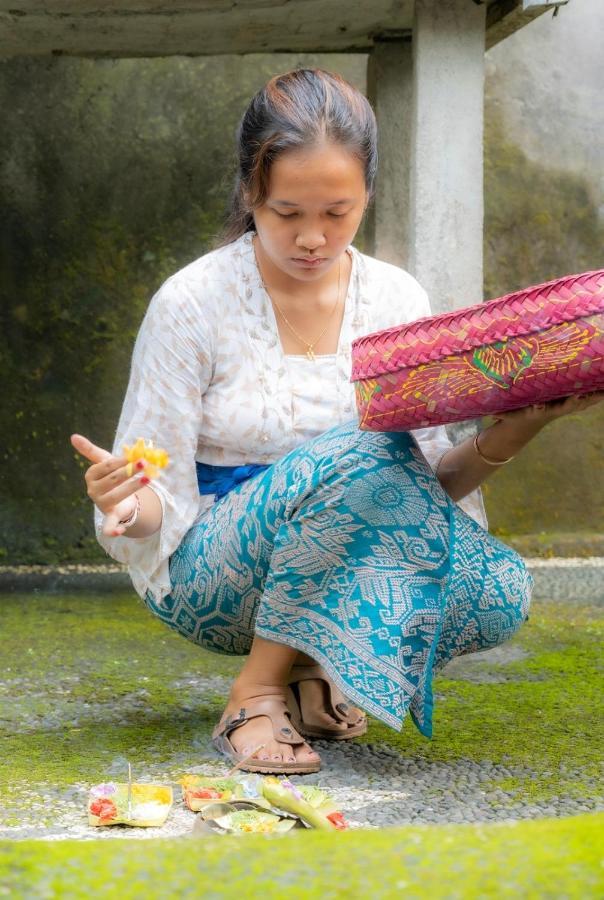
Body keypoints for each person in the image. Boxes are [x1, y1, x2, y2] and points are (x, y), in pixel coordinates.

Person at [71, 67, 603, 775]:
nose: (313, 238)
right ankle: (255, 692)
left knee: (499, 590)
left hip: (343, 559)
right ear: (250, 194)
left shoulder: (396, 298)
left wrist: (522, 424)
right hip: (219, 578)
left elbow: (430, 484)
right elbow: (154, 501)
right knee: (361, 444)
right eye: (287, 213)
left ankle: (314, 667)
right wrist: (123, 503)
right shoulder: (192, 303)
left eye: (338, 212)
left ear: (367, 198)